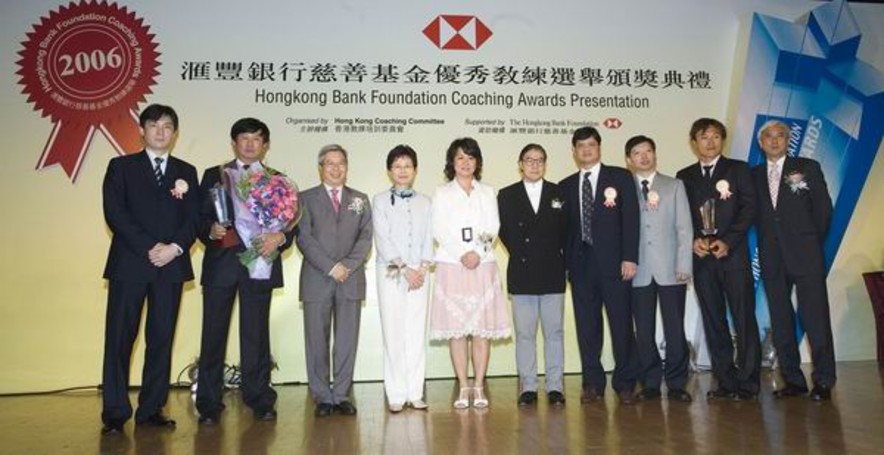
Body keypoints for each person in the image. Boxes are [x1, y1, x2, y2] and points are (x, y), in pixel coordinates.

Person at [100, 104, 199, 434]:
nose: (160, 131)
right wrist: (149, 247)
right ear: (141, 130)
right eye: (154, 125)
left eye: (168, 126)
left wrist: (174, 248)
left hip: (170, 267)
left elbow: (193, 219)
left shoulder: (187, 170)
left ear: (175, 133)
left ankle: (152, 408)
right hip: (130, 264)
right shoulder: (121, 167)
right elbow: (115, 213)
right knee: (119, 339)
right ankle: (115, 412)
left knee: (161, 339)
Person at [195, 118, 297, 424]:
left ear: (265, 145)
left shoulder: (278, 180)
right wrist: (209, 230)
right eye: (244, 138)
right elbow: (198, 219)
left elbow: (292, 226)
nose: (250, 144)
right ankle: (209, 404)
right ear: (233, 143)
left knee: (256, 334)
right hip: (221, 265)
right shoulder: (214, 175)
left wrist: (280, 237)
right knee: (213, 335)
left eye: (257, 139)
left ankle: (259, 398)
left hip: (259, 263)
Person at [676, 118, 761, 401]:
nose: (710, 142)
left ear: (722, 140)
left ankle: (748, 384)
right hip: (703, 260)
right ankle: (725, 381)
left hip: (733, 256)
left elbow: (749, 208)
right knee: (714, 320)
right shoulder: (684, 175)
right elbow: (682, 217)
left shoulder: (737, 169)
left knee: (743, 319)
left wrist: (729, 241)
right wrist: (692, 241)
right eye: (704, 137)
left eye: (715, 136)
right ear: (693, 142)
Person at [752, 120, 835, 401]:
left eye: (780, 136)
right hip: (772, 255)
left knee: (815, 316)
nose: (774, 141)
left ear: (789, 140)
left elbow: (823, 210)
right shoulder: (752, 175)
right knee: (781, 318)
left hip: (806, 253)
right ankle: (793, 379)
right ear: (760, 142)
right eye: (768, 136)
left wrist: (810, 241)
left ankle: (824, 379)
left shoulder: (807, 167)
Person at [559, 126, 640, 405]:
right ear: (574, 151)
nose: (586, 150)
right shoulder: (566, 185)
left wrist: (630, 257)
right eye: (580, 146)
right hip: (580, 267)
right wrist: (566, 265)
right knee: (587, 327)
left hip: (616, 265)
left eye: (591, 145)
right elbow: (564, 230)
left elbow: (631, 220)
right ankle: (592, 382)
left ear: (599, 147)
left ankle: (626, 382)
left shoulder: (619, 177)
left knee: (621, 325)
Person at [430, 137, 511, 409]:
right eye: (460, 158)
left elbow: (494, 225)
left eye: (471, 158)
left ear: (478, 162)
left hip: (483, 264)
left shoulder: (488, 192)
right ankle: (463, 386)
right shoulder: (442, 193)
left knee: (480, 330)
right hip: (452, 266)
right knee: (456, 331)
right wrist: (460, 253)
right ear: (451, 163)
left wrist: (477, 251)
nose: (465, 163)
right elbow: (439, 228)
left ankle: (479, 385)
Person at [297, 145, 373, 417]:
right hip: (317, 279)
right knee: (316, 341)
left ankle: (341, 394)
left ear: (347, 166)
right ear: (321, 167)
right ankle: (322, 397)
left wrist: (348, 266)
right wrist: (331, 267)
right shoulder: (304, 198)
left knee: (346, 341)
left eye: (341, 163)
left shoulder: (360, 199)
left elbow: (366, 238)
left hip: (350, 280)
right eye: (330, 163)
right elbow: (304, 238)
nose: (336, 168)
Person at [624, 135, 693, 402]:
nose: (644, 157)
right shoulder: (623, 187)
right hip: (637, 270)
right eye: (637, 153)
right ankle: (650, 382)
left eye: (648, 151)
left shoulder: (674, 186)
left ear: (655, 154)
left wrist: (684, 263)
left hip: (670, 269)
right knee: (643, 329)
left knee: (675, 328)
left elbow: (685, 228)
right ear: (629, 159)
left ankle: (677, 383)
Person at [497, 143, 567, 407]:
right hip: (523, 271)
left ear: (545, 164)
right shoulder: (506, 195)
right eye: (529, 160)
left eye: (539, 160)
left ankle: (555, 387)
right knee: (525, 333)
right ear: (520, 164)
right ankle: (528, 386)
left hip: (552, 270)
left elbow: (566, 230)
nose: (534, 164)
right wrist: (524, 250)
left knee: (555, 332)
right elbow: (504, 232)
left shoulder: (559, 192)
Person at [372, 145, 434, 413]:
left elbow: (428, 238)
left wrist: (420, 269)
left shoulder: (426, 202)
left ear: (415, 170)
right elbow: (382, 238)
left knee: (415, 332)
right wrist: (404, 268)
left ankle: (415, 392)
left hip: (420, 275)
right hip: (391, 273)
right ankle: (396, 393)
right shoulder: (379, 201)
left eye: (407, 166)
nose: (402, 170)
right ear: (389, 171)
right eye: (397, 166)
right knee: (394, 332)